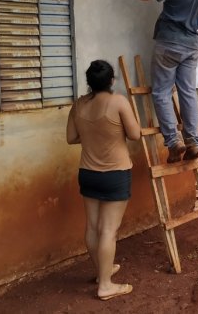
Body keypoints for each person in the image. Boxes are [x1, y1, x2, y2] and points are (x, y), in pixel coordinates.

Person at [66, 60, 141, 301]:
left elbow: (71, 137)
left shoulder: (78, 105)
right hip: (115, 174)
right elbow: (134, 134)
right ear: (111, 81)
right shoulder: (118, 101)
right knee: (109, 230)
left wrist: (92, 136)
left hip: (88, 173)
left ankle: (102, 272)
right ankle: (106, 285)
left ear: (89, 82)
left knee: (93, 227)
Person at [135, 0, 198, 163]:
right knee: (188, 92)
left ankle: (173, 142)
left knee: (161, 92)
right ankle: (193, 142)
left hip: (168, 42)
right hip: (191, 46)